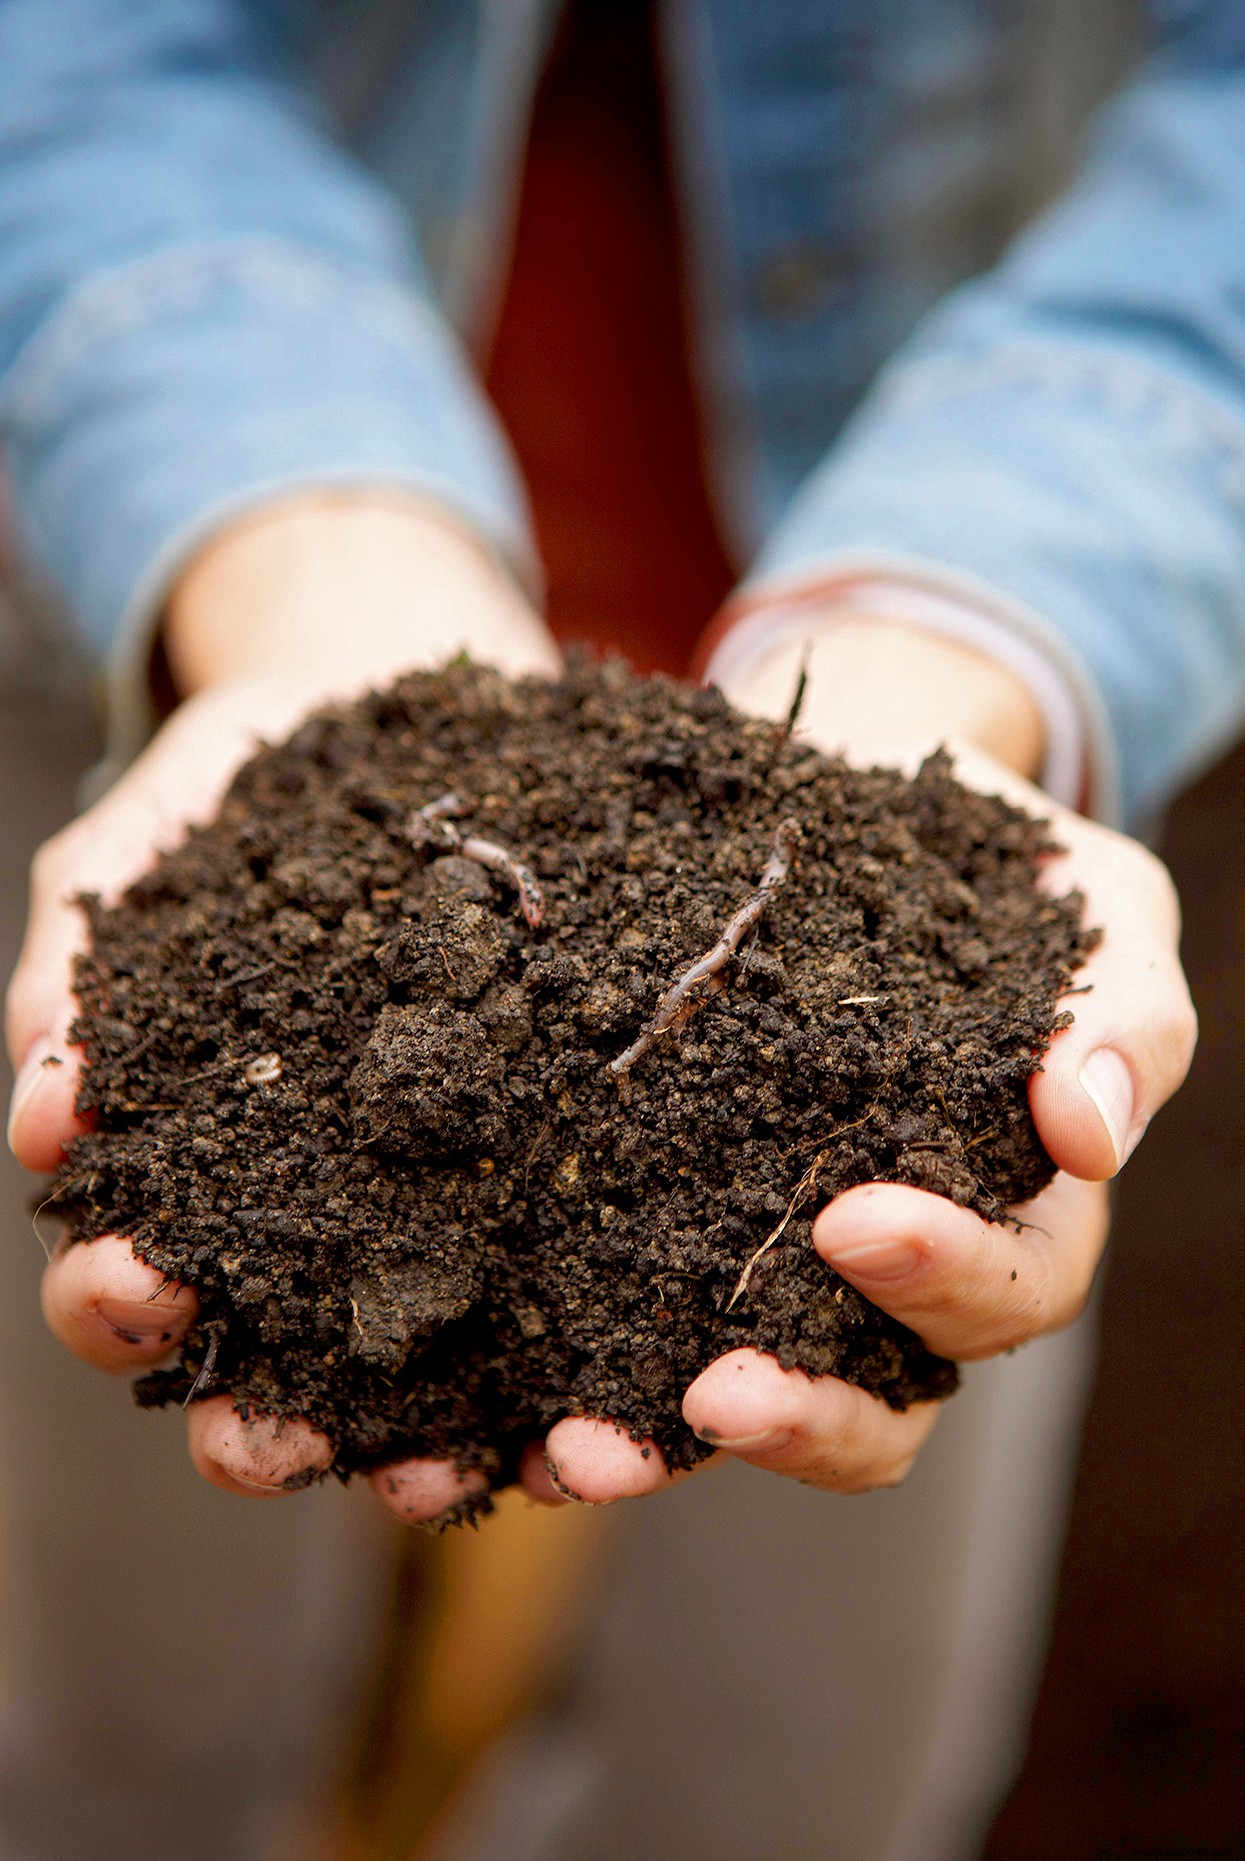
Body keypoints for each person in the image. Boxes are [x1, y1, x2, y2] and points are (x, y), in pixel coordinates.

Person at [0, 0, 1227, 1854]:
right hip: (172, 545)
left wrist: (992, 608)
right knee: (113, 1677)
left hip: (962, 510)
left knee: (798, 1725)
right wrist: (285, 549)